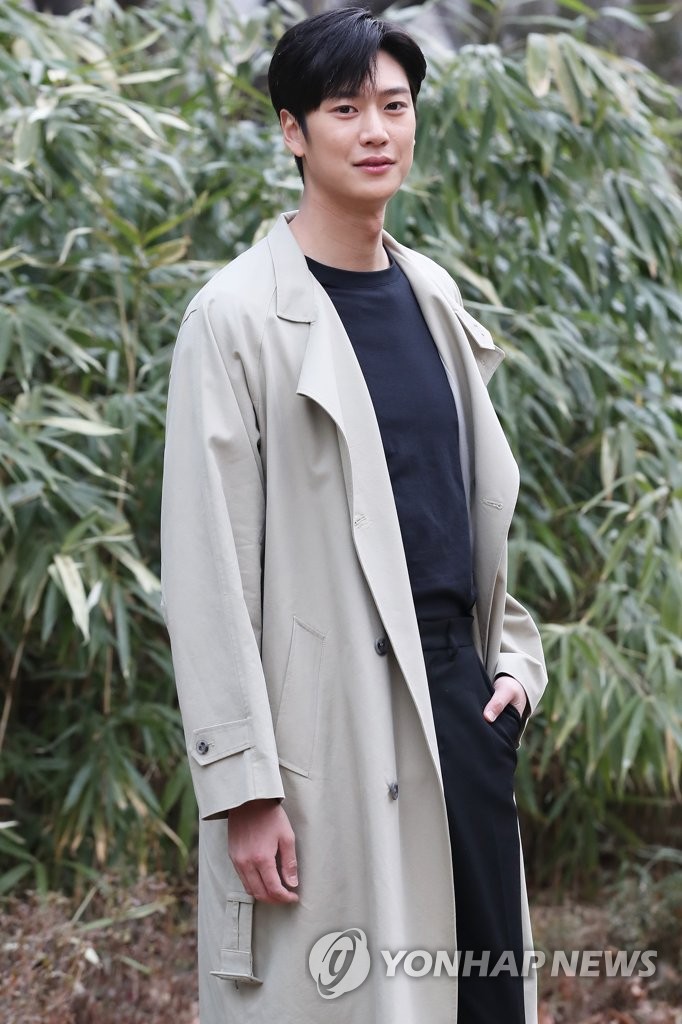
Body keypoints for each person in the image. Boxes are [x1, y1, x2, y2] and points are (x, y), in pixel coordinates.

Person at [160, 7, 548, 1023]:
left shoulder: (431, 294)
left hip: (460, 707)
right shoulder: (234, 318)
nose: (376, 131)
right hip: (321, 733)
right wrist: (243, 785)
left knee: (484, 1002)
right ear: (292, 131)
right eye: (344, 109)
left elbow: (469, 512)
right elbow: (206, 567)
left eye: (394, 106)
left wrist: (513, 665)